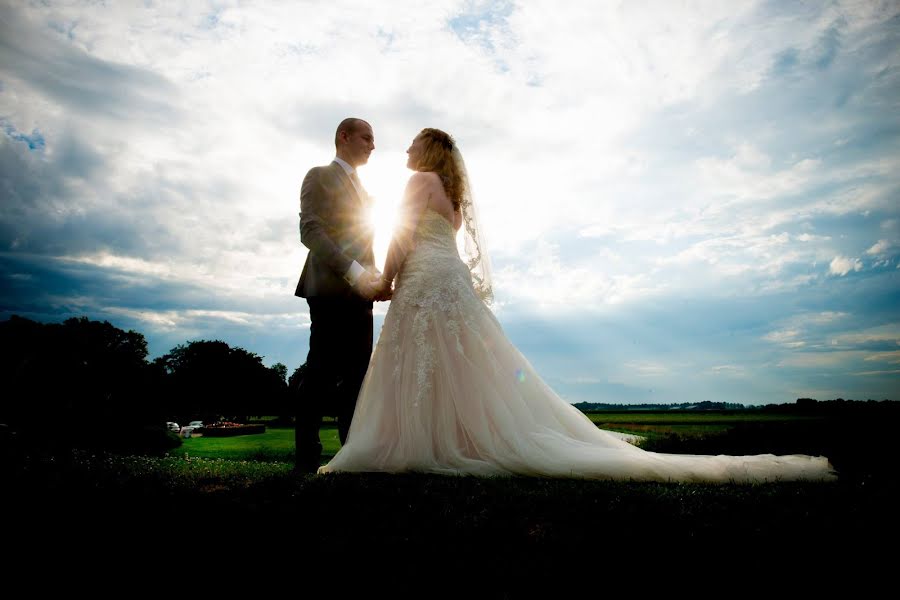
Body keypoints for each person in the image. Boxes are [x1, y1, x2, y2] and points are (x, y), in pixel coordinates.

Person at [319, 128, 836, 483]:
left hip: (424, 282)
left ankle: (420, 443)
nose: (404, 148)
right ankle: (453, 439)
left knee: (422, 361)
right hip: (448, 279)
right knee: (464, 365)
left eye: (412, 142)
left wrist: (384, 278)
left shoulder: (417, 182)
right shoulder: (452, 201)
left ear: (428, 150)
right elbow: (438, 237)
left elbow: (401, 235)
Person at [293, 118, 388, 474]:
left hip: (361, 294)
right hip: (330, 287)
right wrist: (353, 272)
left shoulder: (366, 191)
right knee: (320, 370)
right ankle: (306, 457)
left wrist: (375, 277)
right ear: (343, 137)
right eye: (367, 137)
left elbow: (365, 240)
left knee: (358, 375)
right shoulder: (319, 175)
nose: (372, 145)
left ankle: (350, 456)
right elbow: (310, 230)